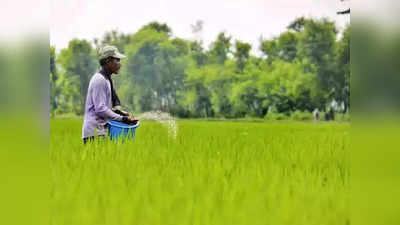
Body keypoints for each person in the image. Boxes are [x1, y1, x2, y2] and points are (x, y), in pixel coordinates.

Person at [82, 45, 137, 144]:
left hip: (101, 131)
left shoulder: (107, 79)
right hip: (94, 133)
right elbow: (100, 108)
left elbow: (107, 106)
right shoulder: (99, 80)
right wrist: (122, 119)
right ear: (108, 61)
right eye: (117, 60)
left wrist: (122, 113)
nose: (120, 64)